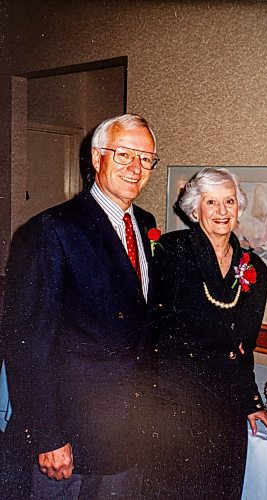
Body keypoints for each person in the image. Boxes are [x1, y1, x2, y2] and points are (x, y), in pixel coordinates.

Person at [0, 114, 160, 499]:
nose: (135, 168)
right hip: (68, 437)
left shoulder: (146, 223)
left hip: (127, 431)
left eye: (146, 158)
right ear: (96, 158)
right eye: (124, 155)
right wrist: (47, 435)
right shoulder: (50, 230)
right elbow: (27, 343)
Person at [146, 167, 267, 499]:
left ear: (239, 208)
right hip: (177, 402)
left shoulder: (254, 269)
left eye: (229, 201)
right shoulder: (171, 252)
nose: (222, 211)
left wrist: (251, 401)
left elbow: (242, 347)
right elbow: (149, 328)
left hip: (225, 406)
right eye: (211, 202)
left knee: (221, 488)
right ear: (195, 209)